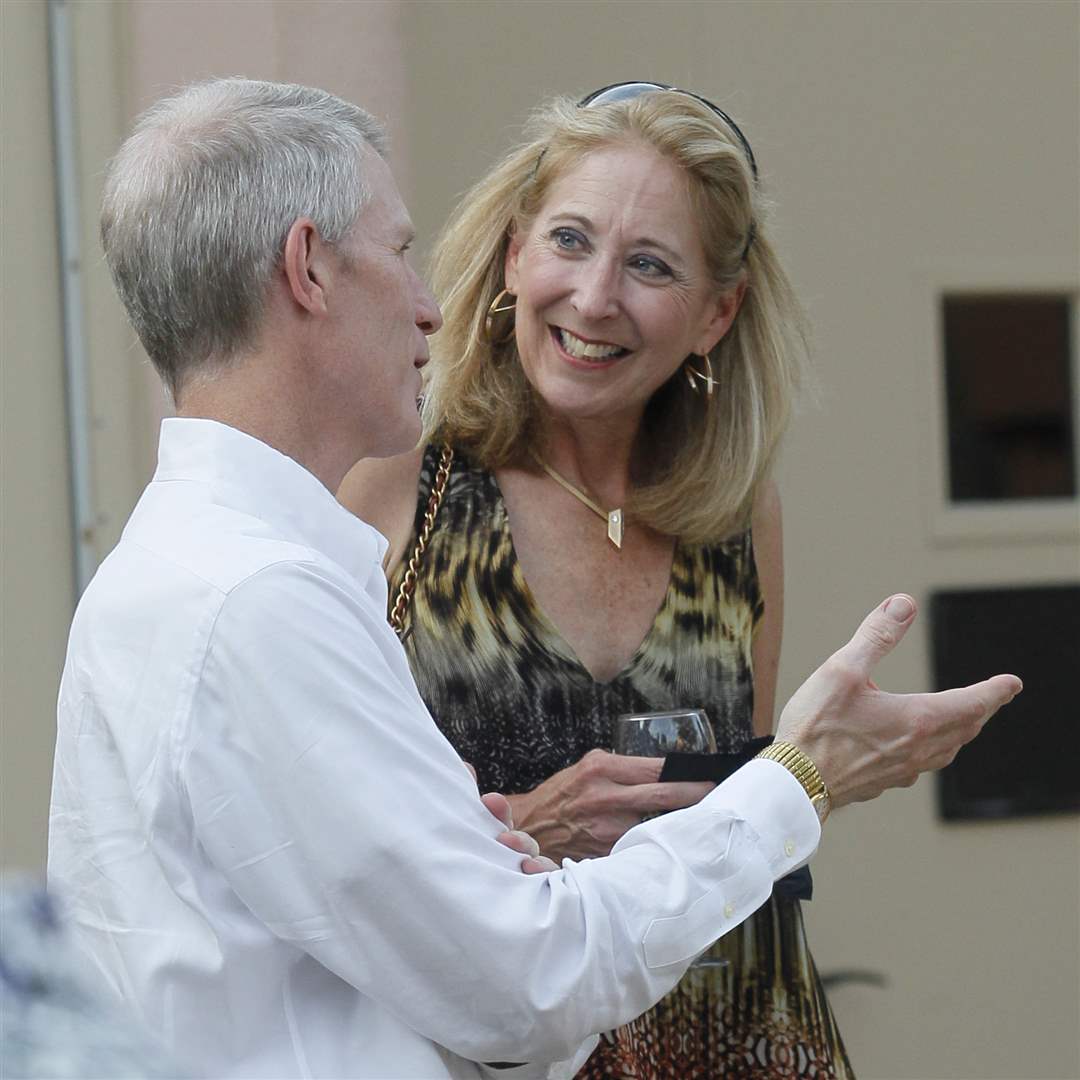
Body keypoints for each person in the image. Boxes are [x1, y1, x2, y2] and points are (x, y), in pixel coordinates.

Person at [48, 77, 1021, 1080]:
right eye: (397, 253)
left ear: (717, 312)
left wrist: (786, 778)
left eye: (649, 264)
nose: (429, 304)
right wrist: (798, 777)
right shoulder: (281, 579)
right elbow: (514, 982)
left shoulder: (214, 572)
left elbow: (367, 859)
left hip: (704, 1007)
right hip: (542, 997)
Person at [335, 82, 896, 1075]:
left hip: (735, 1036)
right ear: (514, 254)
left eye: (649, 265)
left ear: (717, 313)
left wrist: (825, 768)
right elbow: (323, 827)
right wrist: (521, 829)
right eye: (570, 241)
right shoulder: (398, 485)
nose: (595, 299)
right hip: (496, 1049)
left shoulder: (736, 515)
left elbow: (746, 815)